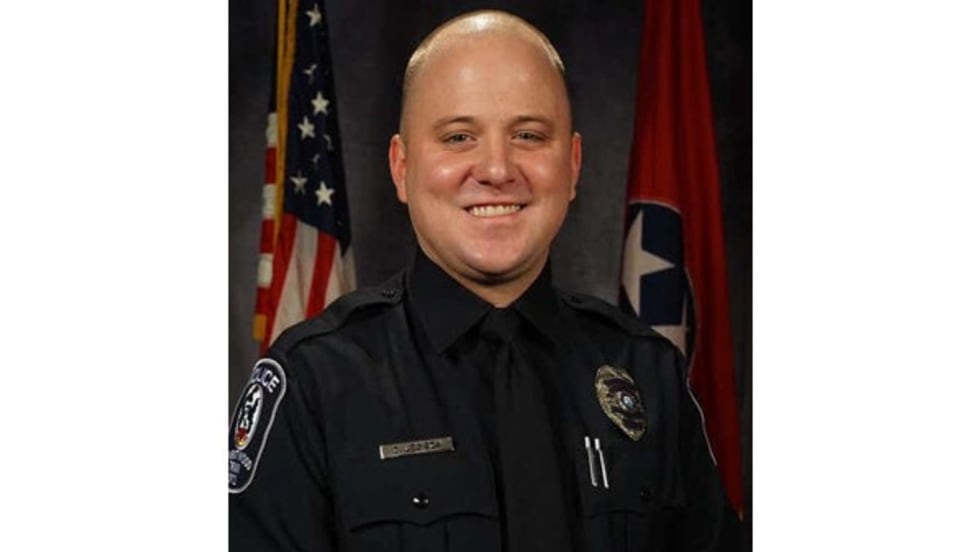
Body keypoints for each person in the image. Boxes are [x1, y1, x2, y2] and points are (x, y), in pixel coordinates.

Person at [229, 9, 729, 551]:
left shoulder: (649, 373)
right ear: (401, 168)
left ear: (573, 165)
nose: (496, 169)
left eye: (529, 135)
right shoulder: (314, 383)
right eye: (459, 136)